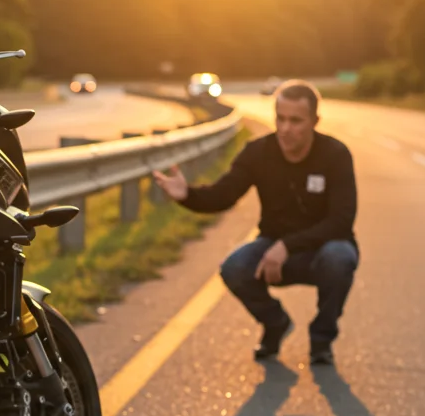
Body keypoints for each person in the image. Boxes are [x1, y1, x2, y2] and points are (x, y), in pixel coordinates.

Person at [153, 80, 357, 365]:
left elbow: (341, 221)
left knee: (340, 257)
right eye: (280, 119)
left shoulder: (335, 155)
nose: (285, 128)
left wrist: (287, 246)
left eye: (296, 121)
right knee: (234, 267)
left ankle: (322, 340)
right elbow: (223, 195)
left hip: (321, 250)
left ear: (314, 121)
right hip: (272, 248)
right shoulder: (258, 152)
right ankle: (275, 324)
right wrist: (187, 195)